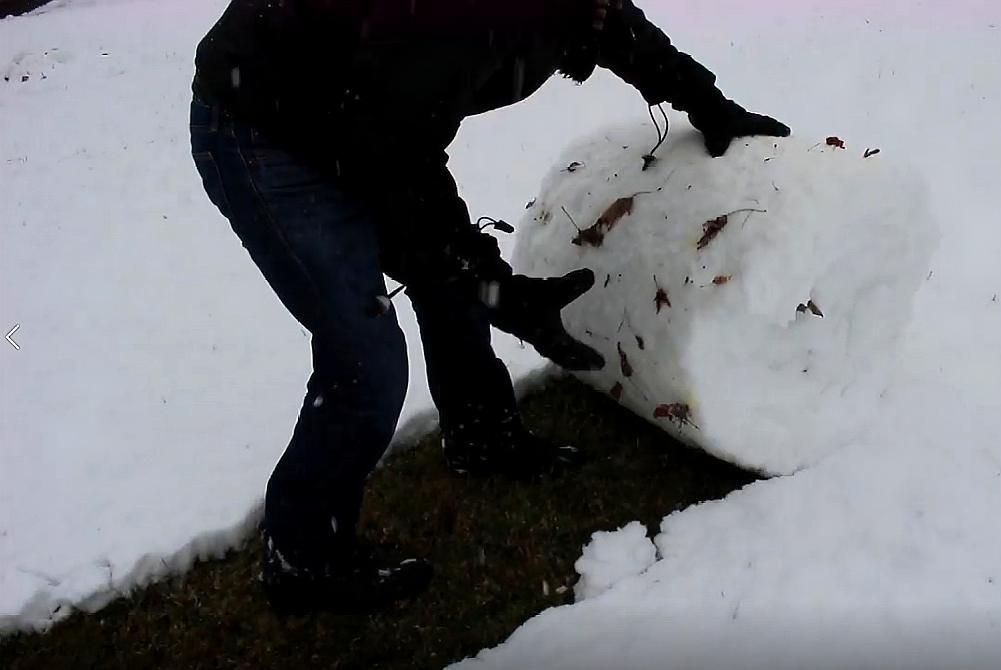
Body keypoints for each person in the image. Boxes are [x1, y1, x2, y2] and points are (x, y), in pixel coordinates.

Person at [189, 0, 789, 614]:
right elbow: (396, 168)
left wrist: (705, 102)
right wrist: (495, 288)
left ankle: (480, 435)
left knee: (451, 270)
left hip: (362, 113)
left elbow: (614, 28)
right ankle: (303, 558)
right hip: (264, 132)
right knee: (364, 357)